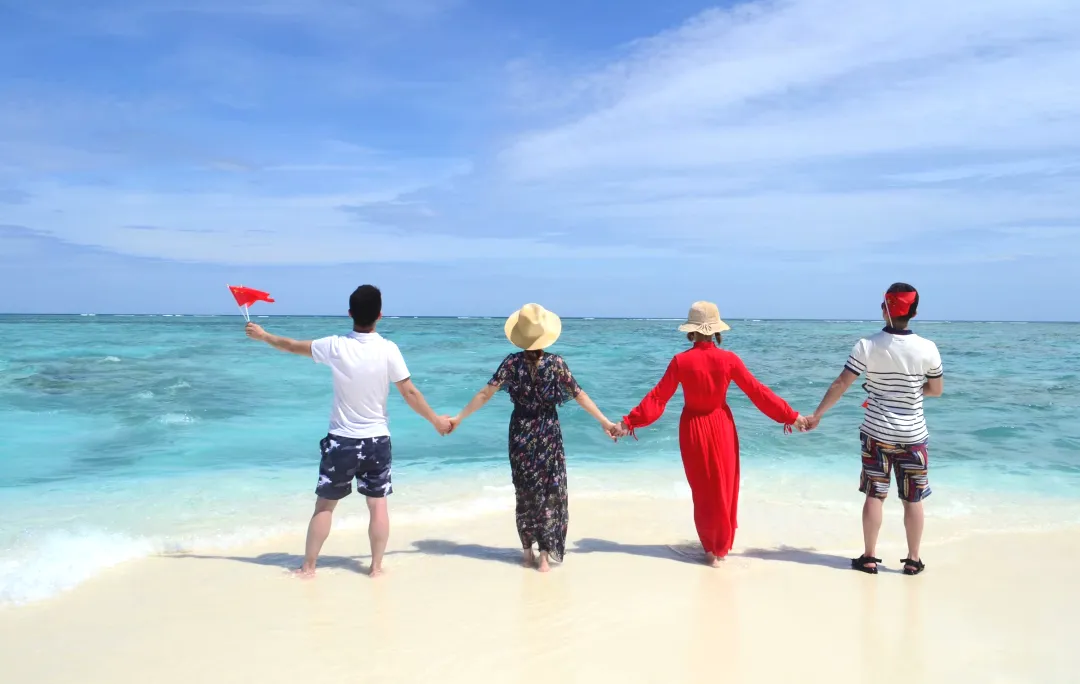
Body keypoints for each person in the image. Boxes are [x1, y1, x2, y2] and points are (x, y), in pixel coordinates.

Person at [245, 284, 451, 578]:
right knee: (378, 506)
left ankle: (308, 567)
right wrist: (436, 421)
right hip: (377, 441)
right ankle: (376, 568)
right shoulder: (388, 349)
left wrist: (263, 336)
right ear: (379, 315)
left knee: (325, 507)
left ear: (350, 313)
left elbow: (291, 345)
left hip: (341, 441)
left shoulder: (335, 346)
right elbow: (410, 392)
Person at [612, 302, 806, 567]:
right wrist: (791, 416)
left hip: (692, 428)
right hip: (721, 425)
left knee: (702, 491)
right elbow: (757, 392)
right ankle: (721, 548)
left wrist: (628, 423)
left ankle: (709, 550)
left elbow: (658, 398)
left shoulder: (681, 361)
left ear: (691, 331)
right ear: (716, 330)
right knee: (724, 487)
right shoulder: (729, 360)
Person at [448, 304, 617, 572]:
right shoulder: (556, 363)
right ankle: (544, 557)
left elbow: (484, 394)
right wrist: (605, 422)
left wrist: (459, 417)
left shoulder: (511, 363)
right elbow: (579, 395)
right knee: (549, 491)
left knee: (525, 490)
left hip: (520, 432)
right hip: (548, 431)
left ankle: (527, 552)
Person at [804, 283, 943, 576]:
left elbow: (841, 383)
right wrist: (910, 391)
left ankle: (869, 557)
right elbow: (936, 390)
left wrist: (817, 415)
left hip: (876, 433)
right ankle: (913, 560)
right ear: (914, 313)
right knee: (913, 499)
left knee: (875, 495)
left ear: (885, 309)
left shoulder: (867, 345)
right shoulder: (928, 348)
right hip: (913, 436)